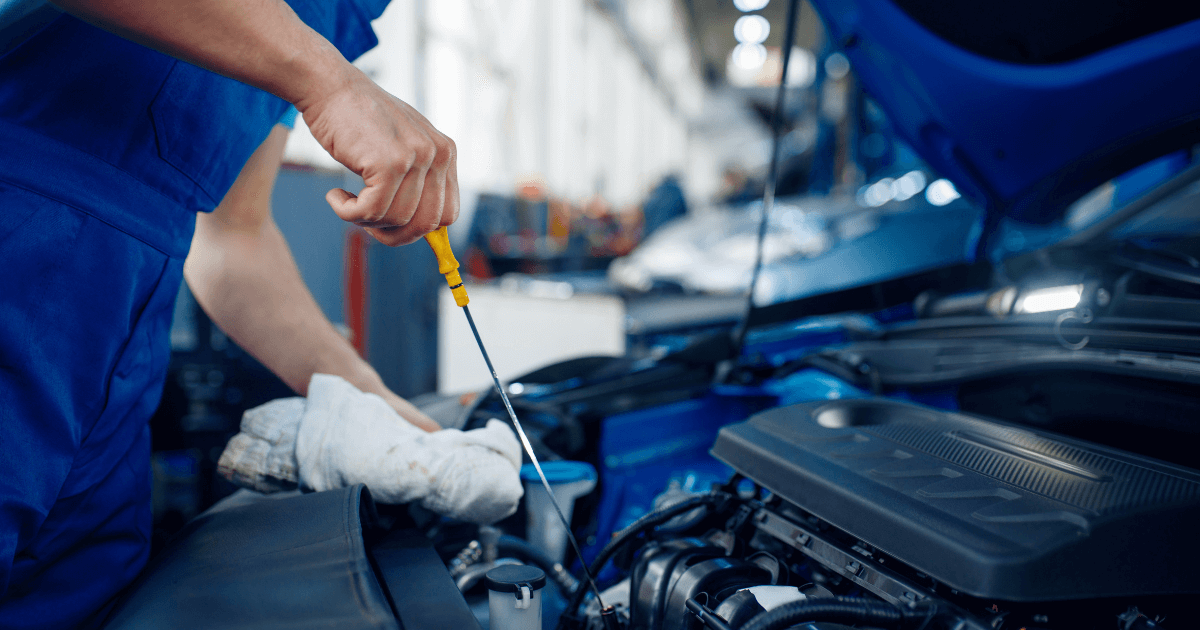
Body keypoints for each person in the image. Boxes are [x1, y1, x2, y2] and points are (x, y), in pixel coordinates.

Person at [0, 0, 460, 626]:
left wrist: (377, 410)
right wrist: (329, 80)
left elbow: (233, 237)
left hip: (123, 348)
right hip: (18, 243)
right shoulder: (316, 62)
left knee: (73, 602)